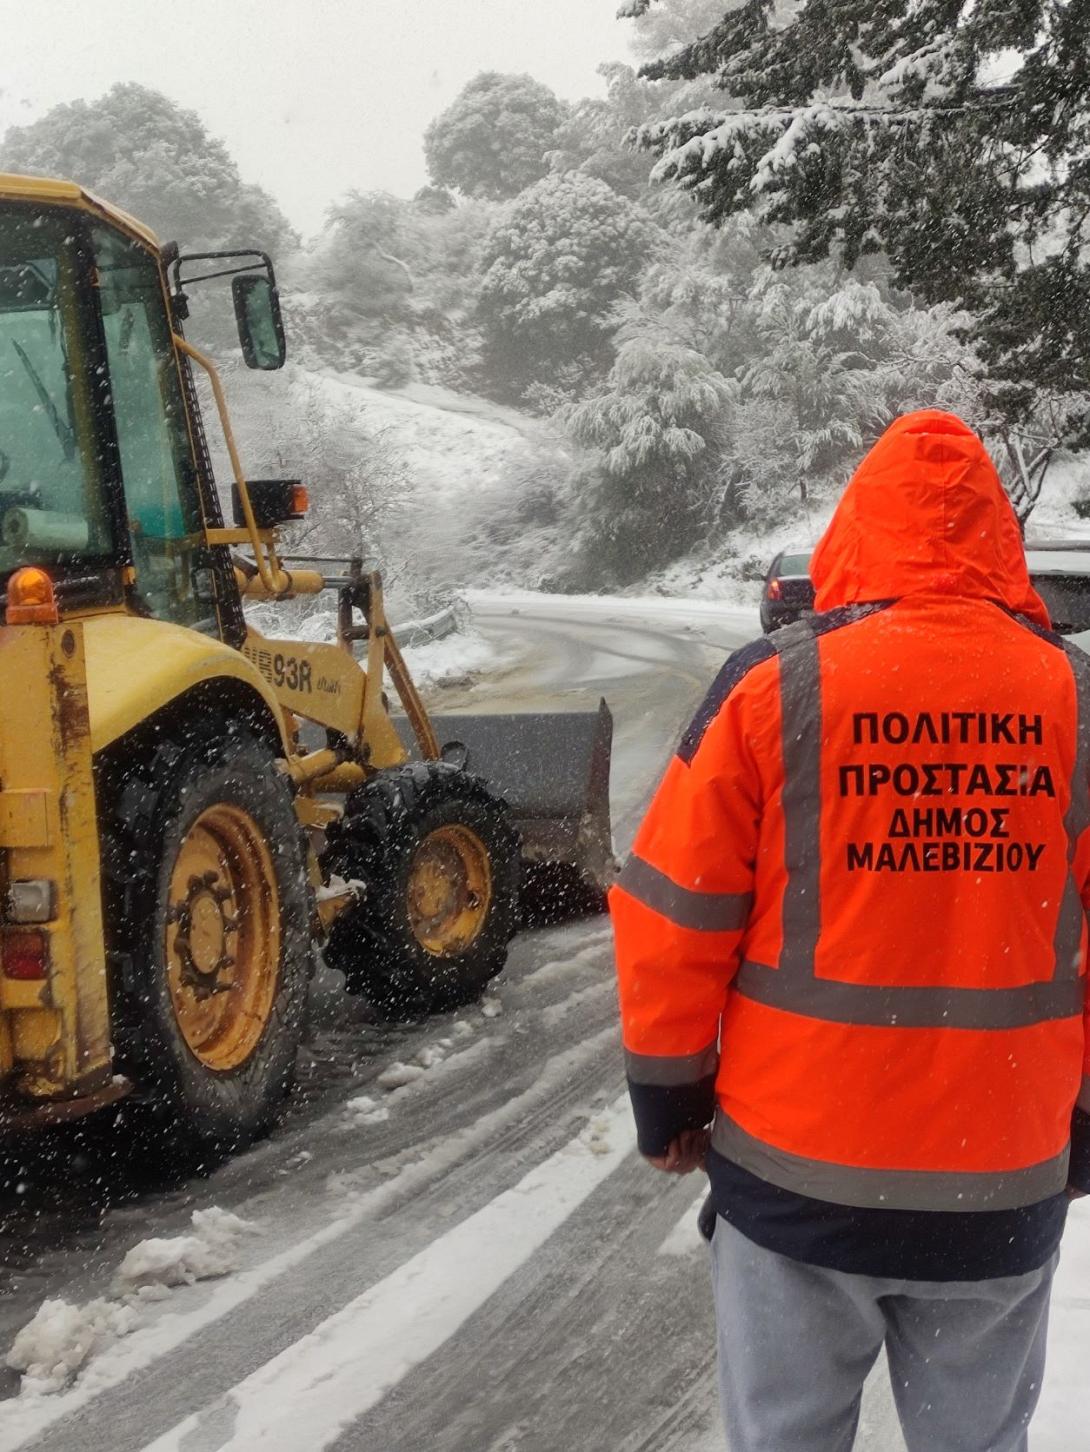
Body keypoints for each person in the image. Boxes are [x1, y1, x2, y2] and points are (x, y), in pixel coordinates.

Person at [610, 410, 1090, 1452]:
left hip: (797, 1179)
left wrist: (670, 1098)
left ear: (854, 531)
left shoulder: (770, 686)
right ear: (999, 541)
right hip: (998, 1181)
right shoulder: (1074, 698)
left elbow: (672, 914)